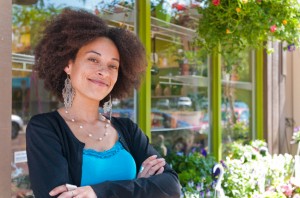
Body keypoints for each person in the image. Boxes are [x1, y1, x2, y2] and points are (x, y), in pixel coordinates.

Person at [26, 8, 181, 198]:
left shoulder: (128, 130)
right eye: (93, 59)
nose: (104, 72)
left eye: (112, 66)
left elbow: (171, 186)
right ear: (68, 64)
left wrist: (96, 192)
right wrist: (140, 185)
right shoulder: (45, 128)